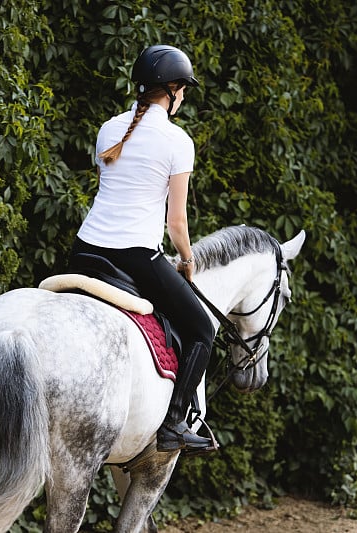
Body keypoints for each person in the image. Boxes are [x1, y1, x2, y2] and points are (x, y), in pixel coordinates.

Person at [70, 44, 216, 453]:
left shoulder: (108, 128)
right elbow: (176, 224)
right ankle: (173, 424)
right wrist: (187, 261)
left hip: (84, 251)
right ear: (171, 89)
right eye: (183, 89)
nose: (184, 97)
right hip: (135, 257)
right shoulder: (177, 140)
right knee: (202, 329)